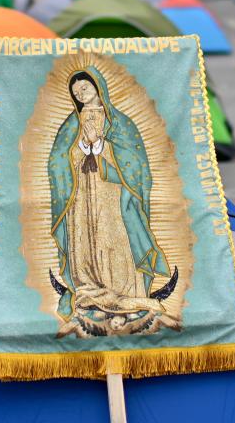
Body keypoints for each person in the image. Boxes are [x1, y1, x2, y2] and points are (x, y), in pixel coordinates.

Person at [47, 67, 174, 337]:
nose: (81, 93)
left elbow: (136, 165)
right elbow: (58, 161)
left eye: (85, 87)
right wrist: (82, 148)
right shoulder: (71, 124)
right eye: (76, 91)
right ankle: (90, 287)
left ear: (98, 87)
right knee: (87, 237)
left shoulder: (120, 123)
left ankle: (125, 291)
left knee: (112, 235)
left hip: (112, 192)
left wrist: (101, 146)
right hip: (81, 192)